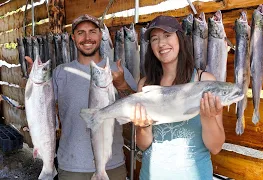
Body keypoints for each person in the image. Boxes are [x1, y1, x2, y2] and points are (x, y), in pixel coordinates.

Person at [26, 14, 137, 180]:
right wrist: (36, 86)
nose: (87, 38)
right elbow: (41, 111)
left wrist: (122, 85)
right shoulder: (59, 73)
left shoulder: (118, 71)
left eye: (92, 31)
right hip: (71, 167)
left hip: (111, 166)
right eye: (80, 33)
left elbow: (137, 113)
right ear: (73, 38)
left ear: (101, 35)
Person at [131, 15, 225, 180]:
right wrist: (143, 128)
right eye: (154, 39)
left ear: (180, 39)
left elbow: (216, 147)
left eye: (167, 35)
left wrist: (208, 119)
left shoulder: (205, 81)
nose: (161, 43)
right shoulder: (145, 86)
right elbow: (142, 144)